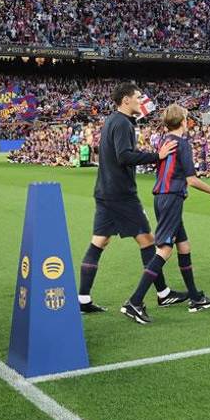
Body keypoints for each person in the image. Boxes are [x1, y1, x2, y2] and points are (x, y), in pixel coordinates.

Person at [77, 83, 184, 314]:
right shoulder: (122, 123)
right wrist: (157, 156)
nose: (141, 101)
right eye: (137, 97)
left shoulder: (114, 121)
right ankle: (162, 294)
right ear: (126, 100)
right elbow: (124, 156)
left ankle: (83, 299)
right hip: (121, 194)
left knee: (100, 241)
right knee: (147, 240)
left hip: (105, 191)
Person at [121, 106, 210, 324]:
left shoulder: (164, 140)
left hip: (163, 197)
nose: (189, 122)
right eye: (188, 119)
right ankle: (134, 301)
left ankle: (196, 297)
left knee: (184, 245)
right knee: (165, 249)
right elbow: (191, 179)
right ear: (183, 121)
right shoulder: (183, 144)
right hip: (171, 198)